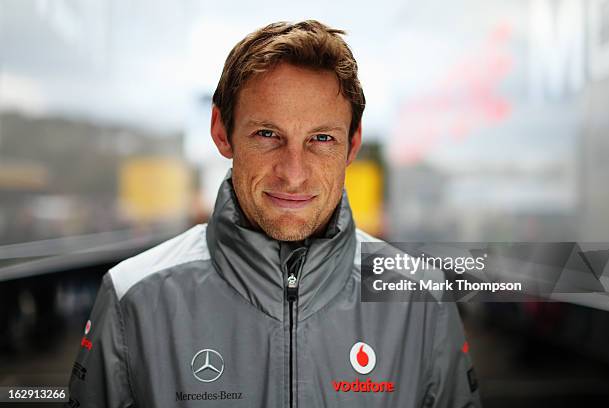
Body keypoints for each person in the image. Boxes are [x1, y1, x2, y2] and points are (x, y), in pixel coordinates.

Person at [66, 20, 481, 408]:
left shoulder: (422, 300)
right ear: (222, 132)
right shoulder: (132, 298)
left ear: (352, 145)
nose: (293, 173)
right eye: (267, 134)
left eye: (321, 138)